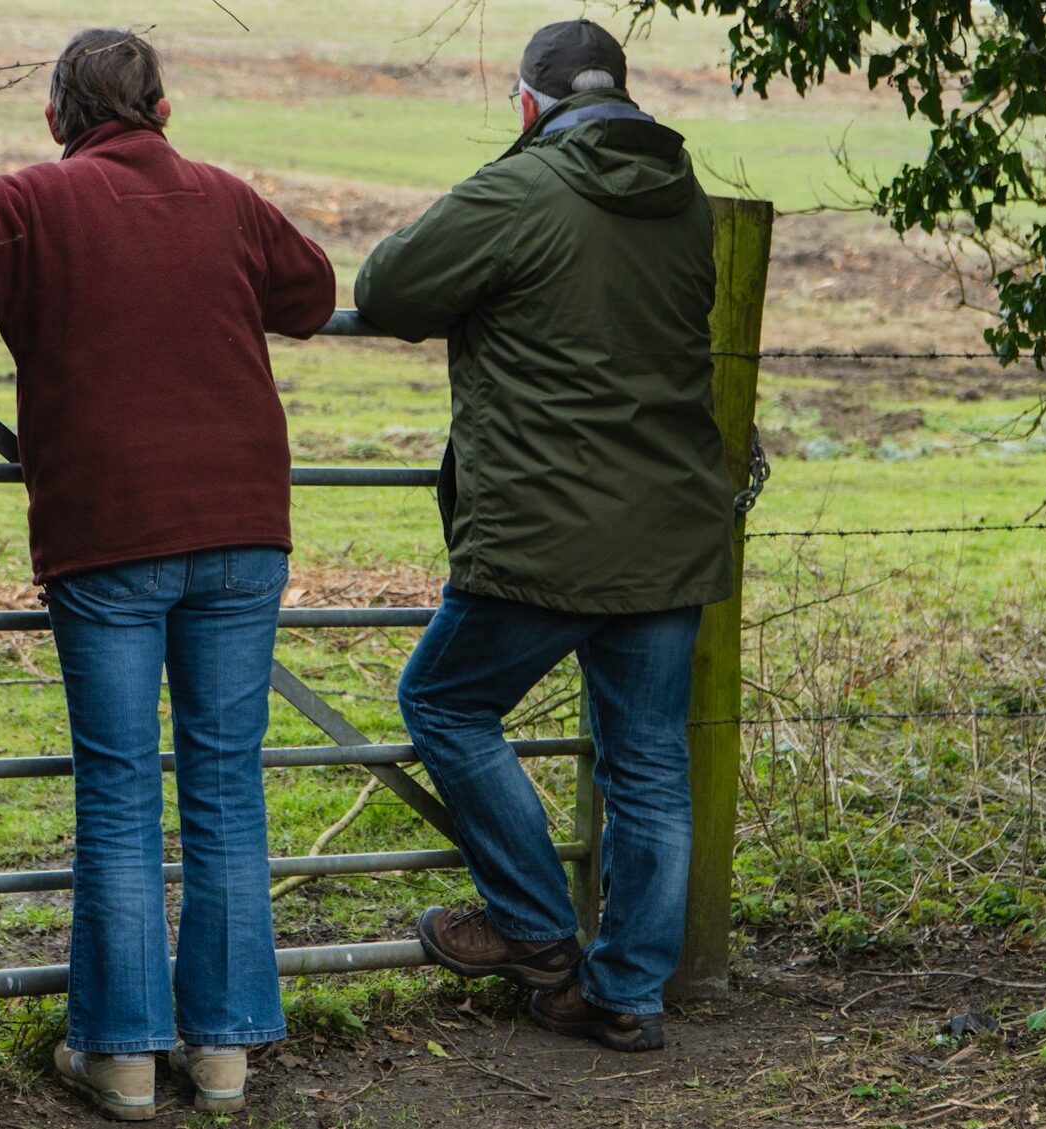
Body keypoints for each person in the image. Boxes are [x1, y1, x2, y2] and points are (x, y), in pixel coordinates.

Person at [0, 28, 336, 1119]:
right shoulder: (226, 197)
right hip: (243, 526)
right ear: (161, 107)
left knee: (119, 792)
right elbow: (308, 294)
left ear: (59, 117)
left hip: (109, 529)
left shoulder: (30, 204)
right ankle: (222, 1055)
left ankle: (119, 1056)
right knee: (224, 784)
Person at [354, 18, 732, 1052]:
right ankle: (625, 994)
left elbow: (385, 291)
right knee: (648, 764)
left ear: (529, 104)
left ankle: (529, 928)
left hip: (542, 530)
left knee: (442, 698)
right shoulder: (684, 200)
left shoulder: (520, 187)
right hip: (667, 529)